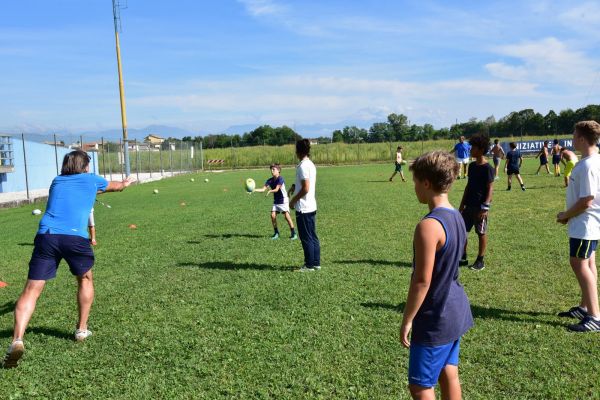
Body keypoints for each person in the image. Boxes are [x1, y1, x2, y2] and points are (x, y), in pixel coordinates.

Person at [2, 150, 134, 368]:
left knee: (31, 289)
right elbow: (116, 186)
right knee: (85, 279)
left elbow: (79, 192)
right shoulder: (92, 180)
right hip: (75, 238)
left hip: (47, 236)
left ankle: (17, 339)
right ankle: (81, 330)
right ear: (85, 166)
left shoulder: (57, 181)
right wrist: (126, 182)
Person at [400, 151, 473, 400]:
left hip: (435, 317)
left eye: (415, 183)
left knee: (420, 386)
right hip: (456, 311)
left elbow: (422, 281)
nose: (415, 188)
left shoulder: (428, 226)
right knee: (448, 372)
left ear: (427, 183)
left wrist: (408, 319)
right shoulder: (457, 217)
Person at [556, 121, 600, 332]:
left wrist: (565, 215)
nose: (572, 139)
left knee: (579, 264)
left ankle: (594, 316)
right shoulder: (593, 160)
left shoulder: (589, 165)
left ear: (582, 139)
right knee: (589, 264)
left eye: (574, 136)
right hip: (589, 224)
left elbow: (586, 201)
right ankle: (585, 307)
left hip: (585, 223)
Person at [459, 134, 494, 271]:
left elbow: (490, 188)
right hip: (468, 206)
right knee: (463, 231)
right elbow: (468, 186)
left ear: (480, 149)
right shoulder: (472, 166)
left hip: (480, 207)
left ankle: (480, 260)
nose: (470, 149)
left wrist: (485, 207)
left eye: (472, 147)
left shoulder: (488, 168)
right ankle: (462, 256)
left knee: (481, 232)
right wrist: (462, 205)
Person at [289, 139, 320, 272]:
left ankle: (308, 265)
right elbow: (305, 184)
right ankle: (316, 263)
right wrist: (294, 187)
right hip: (311, 205)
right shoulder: (310, 164)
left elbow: (306, 188)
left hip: (303, 207)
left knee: (306, 237)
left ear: (298, 151)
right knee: (312, 235)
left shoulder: (303, 166)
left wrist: (293, 200)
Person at [252, 163, 298, 240]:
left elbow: (277, 189)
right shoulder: (269, 180)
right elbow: (263, 189)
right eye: (271, 169)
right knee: (272, 215)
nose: (272, 171)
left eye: (274, 169)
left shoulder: (280, 179)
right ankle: (276, 233)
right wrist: (254, 190)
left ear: (278, 171)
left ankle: (293, 233)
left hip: (283, 200)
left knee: (287, 216)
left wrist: (270, 191)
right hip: (276, 201)